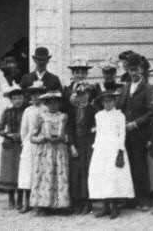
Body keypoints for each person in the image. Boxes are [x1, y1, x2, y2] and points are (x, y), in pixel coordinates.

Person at [88, 88, 133, 219]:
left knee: (113, 176)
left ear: (114, 101)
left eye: (110, 101)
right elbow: (99, 133)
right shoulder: (99, 115)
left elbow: (122, 134)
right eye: (105, 101)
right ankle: (105, 206)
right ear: (102, 103)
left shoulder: (119, 115)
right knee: (102, 176)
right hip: (101, 148)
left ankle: (114, 206)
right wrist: (95, 147)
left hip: (114, 147)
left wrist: (120, 150)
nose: (108, 104)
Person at [118, 55, 153, 210]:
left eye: (137, 69)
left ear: (142, 70)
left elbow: (151, 111)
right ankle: (130, 198)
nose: (134, 73)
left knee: (140, 165)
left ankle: (144, 199)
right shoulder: (126, 87)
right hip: (126, 132)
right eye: (131, 70)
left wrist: (135, 123)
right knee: (128, 164)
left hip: (139, 132)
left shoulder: (147, 88)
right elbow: (121, 106)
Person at [31, 91, 71, 214]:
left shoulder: (64, 116)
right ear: (46, 104)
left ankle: (60, 205)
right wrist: (41, 139)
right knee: (45, 176)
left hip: (59, 150)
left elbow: (69, 134)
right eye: (50, 103)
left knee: (60, 176)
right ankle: (44, 205)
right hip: (45, 150)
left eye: (56, 102)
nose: (53, 105)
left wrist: (63, 138)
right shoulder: (41, 116)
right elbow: (32, 136)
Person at [66, 82, 96, 214]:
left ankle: (87, 202)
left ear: (88, 95)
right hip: (76, 144)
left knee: (86, 172)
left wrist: (92, 142)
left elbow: (96, 128)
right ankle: (76, 202)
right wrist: (71, 145)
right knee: (75, 173)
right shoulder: (73, 111)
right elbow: (69, 129)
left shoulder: (93, 110)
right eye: (79, 94)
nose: (82, 97)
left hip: (88, 144)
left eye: (84, 94)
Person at [17, 83, 45, 213]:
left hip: (43, 143)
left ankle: (40, 203)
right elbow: (24, 130)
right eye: (33, 94)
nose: (36, 96)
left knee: (40, 172)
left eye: (38, 93)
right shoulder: (28, 110)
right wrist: (26, 142)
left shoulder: (45, 109)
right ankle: (26, 202)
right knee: (27, 173)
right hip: (30, 143)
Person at [0, 85, 26, 208]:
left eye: (20, 98)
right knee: (9, 172)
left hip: (21, 145)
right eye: (15, 98)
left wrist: (20, 135)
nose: (18, 101)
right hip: (9, 145)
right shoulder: (7, 112)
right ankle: (11, 199)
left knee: (20, 172)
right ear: (11, 100)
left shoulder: (26, 111)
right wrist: (7, 134)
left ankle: (20, 199)